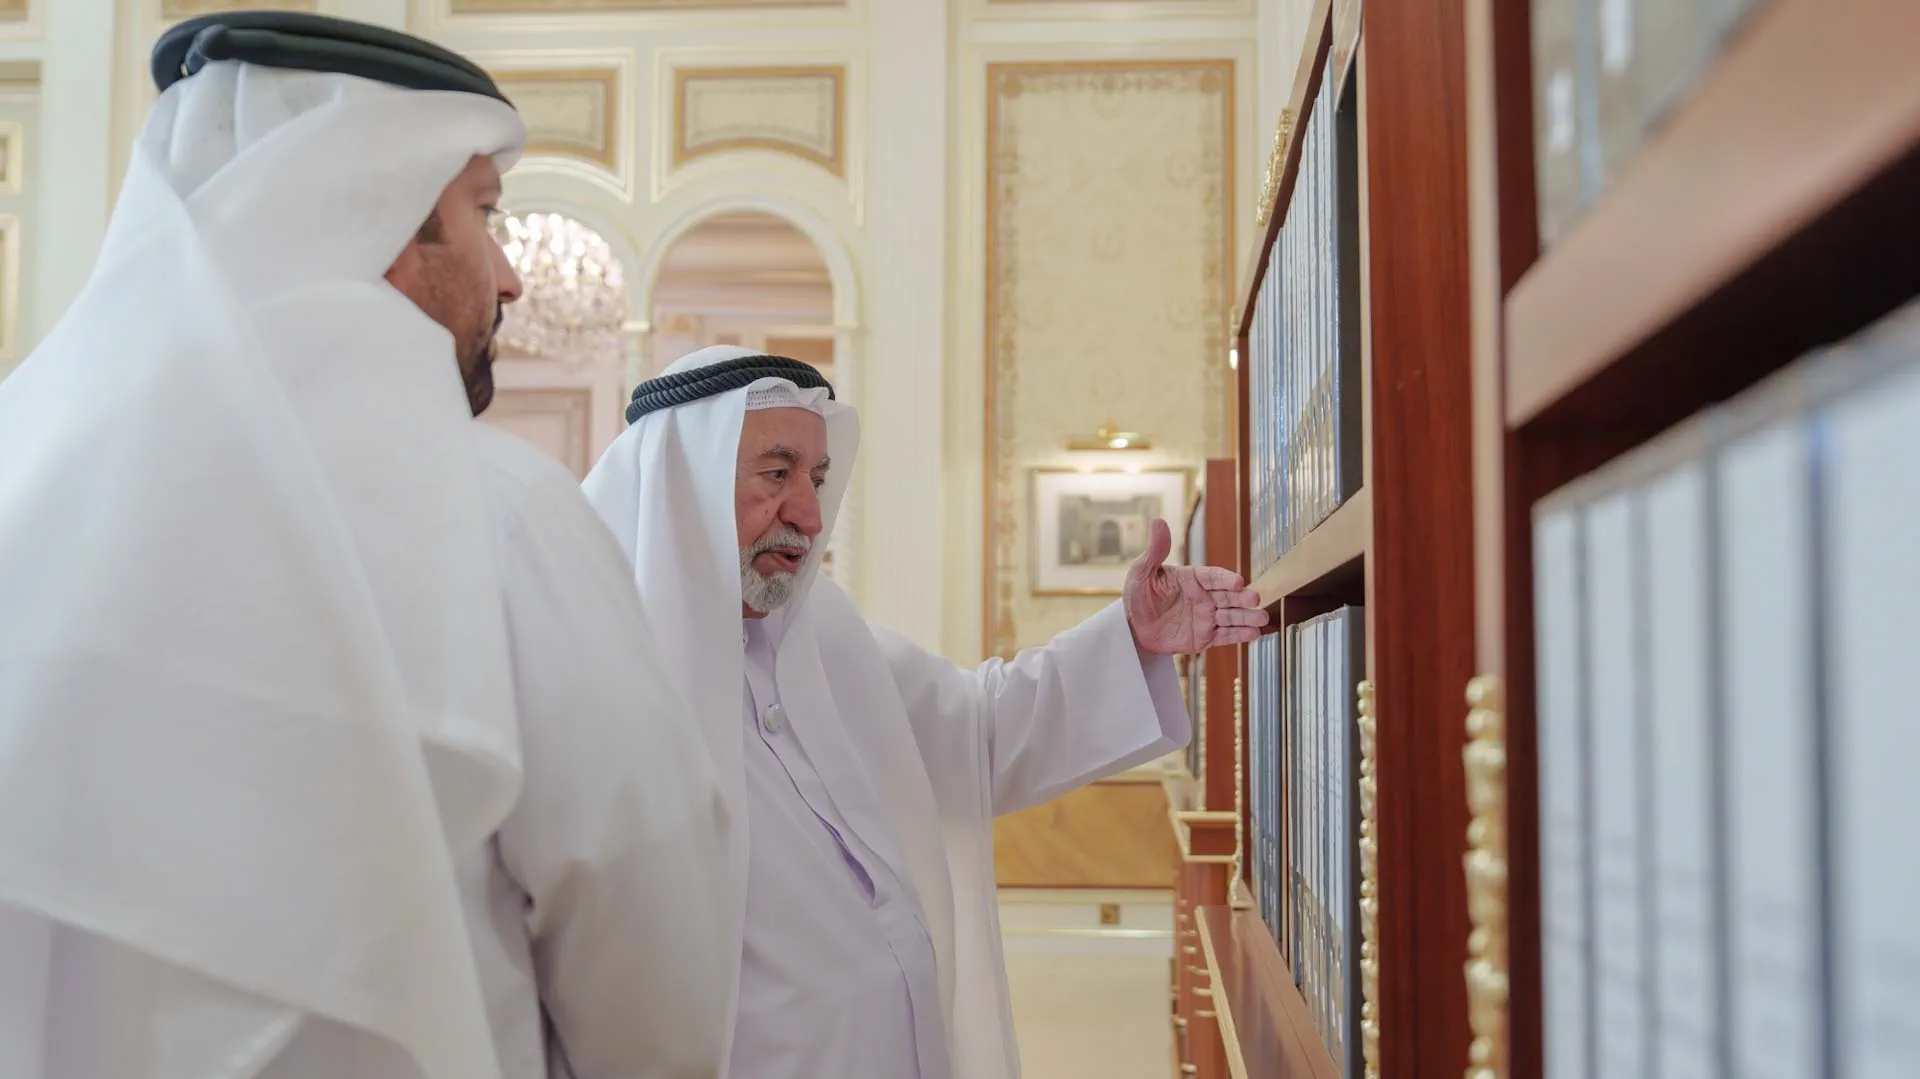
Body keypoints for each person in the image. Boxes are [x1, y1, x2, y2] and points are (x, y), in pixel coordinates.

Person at [0, 14, 728, 1079]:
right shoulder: (503, 512)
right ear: (376, 212)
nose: (513, 279)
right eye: (485, 213)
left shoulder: (34, 490)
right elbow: (646, 933)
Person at [581, 345, 1270, 1079]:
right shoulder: (597, 683)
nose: (812, 515)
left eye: (816, 478)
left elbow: (979, 732)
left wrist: (1133, 638)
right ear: (684, 480)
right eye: (776, 474)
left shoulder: (828, 640)